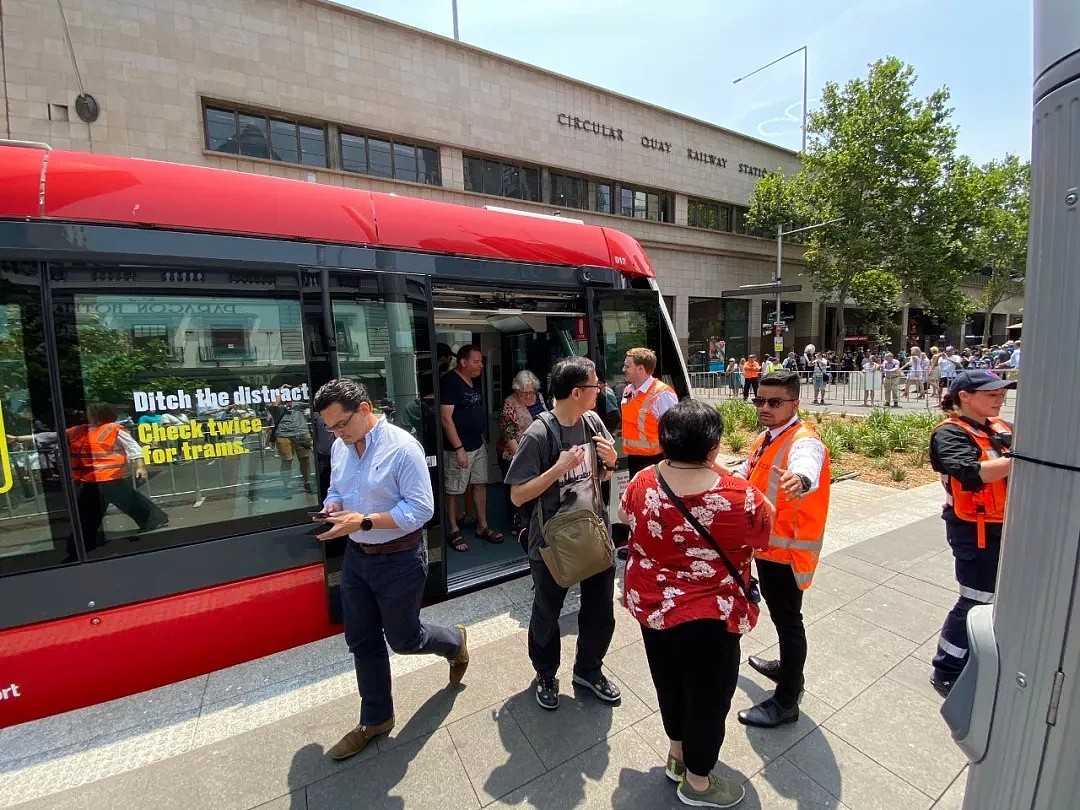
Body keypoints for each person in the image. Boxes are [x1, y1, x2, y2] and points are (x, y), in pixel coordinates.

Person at [620, 399, 774, 808]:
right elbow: (764, 532)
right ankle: (699, 783)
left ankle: (677, 755)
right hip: (711, 614)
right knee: (707, 695)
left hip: (652, 606)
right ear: (712, 446)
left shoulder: (642, 483)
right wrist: (718, 469)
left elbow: (625, 518)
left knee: (668, 680)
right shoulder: (740, 496)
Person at [311, 378, 469, 760]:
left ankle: (454, 640)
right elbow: (337, 490)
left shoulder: (403, 448)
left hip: (399, 559)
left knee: (404, 639)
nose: (337, 433)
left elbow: (420, 511)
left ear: (365, 409)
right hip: (357, 560)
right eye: (330, 427)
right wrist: (333, 507)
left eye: (341, 424)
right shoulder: (340, 447)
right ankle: (376, 718)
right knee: (361, 641)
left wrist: (363, 521)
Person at [505, 356, 621, 711]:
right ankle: (545, 673)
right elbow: (517, 494)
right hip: (552, 543)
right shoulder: (538, 434)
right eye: (595, 385)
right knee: (546, 612)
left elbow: (601, 476)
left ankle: (588, 669)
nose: (600, 389)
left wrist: (611, 460)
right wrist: (557, 469)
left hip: (594, 532)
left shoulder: (592, 421)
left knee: (600, 611)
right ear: (576, 392)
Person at [733, 371, 831, 729]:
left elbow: (808, 466)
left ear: (794, 403)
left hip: (786, 554)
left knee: (789, 623)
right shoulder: (767, 438)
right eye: (759, 400)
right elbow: (745, 475)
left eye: (774, 402)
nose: (764, 407)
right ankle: (789, 670)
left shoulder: (804, 442)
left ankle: (787, 700)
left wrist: (800, 479)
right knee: (783, 619)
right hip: (769, 549)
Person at [927, 370, 1015, 698]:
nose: (1000, 398)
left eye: (1001, 393)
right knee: (976, 599)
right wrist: (1019, 459)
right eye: (991, 393)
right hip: (975, 530)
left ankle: (979, 657)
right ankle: (947, 667)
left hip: (1008, 525)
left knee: (997, 598)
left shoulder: (1002, 428)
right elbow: (968, 472)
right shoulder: (950, 433)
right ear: (965, 396)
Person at [67, 403, 169, 551]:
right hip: (91, 478)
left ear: (98, 414)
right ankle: (154, 520)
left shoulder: (113, 429)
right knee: (116, 500)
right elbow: (52, 436)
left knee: (112, 502)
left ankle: (153, 519)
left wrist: (140, 466)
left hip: (109, 476)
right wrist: (22, 439)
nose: (85, 414)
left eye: (88, 412)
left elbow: (133, 448)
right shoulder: (79, 430)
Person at [440, 345, 502, 551]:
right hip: (458, 447)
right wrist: (458, 448)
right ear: (463, 362)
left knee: (480, 483)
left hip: (477, 444)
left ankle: (482, 526)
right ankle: (453, 529)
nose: (481, 365)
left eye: (481, 361)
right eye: (477, 362)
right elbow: (446, 419)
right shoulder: (450, 382)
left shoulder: (472, 381)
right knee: (453, 489)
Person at [620, 347, 678, 480]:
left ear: (640, 369)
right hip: (633, 458)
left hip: (656, 460)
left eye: (627, 366)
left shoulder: (662, 394)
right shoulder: (629, 390)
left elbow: (674, 430)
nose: (623, 370)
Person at [497, 370, 544, 479]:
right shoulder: (509, 403)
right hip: (516, 454)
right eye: (524, 392)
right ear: (517, 390)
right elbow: (509, 436)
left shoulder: (540, 397)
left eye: (531, 392)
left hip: (537, 453)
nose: (528, 396)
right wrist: (523, 460)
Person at [268, 384, 315, 495]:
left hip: (301, 433)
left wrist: (301, 389)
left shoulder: (298, 404)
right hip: (283, 436)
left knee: (305, 459)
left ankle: (307, 482)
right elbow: (274, 405)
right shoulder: (274, 405)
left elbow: (312, 402)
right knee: (287, 460)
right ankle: (286, 483)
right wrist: (280, 390)